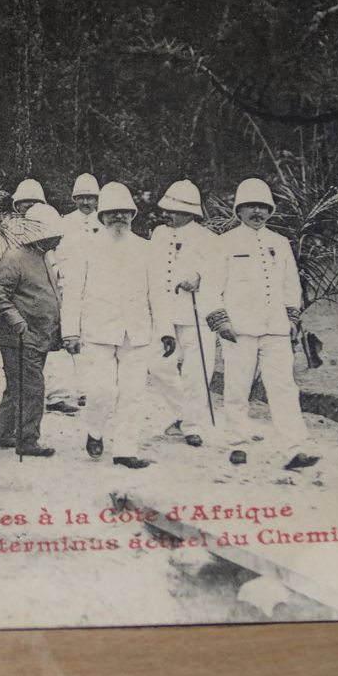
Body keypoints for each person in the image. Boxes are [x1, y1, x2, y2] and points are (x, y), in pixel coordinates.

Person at [204, 178, 319, 471]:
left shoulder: (279, 243)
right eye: (250, 206)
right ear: (239, 211)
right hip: (238, 328)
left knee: (283, 387)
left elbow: (291, 285)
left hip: (276, 328)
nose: (257, 212)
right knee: (237, 385)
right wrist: (221, 320)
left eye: (263, 207)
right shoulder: (224, 243)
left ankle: (294, 447)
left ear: (270, 210)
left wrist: (292, 318)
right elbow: (211, 287)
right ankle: (238, 443)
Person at [61, 182, 175, 469]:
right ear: (102, 216)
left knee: (133, 393)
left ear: (133, 215)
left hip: (136, 333)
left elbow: (158, 294)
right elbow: (73, 291)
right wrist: (70, 331)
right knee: (102, 392)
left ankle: (125, 450)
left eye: (124, 213)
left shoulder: (147, 249)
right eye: (113, 213)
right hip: (97, 332)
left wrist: (166, 331)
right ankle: (95, 431)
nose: (119, 218)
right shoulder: (85, 248)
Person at [0, 203, 66, 457]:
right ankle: (27, 440)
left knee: (17, 386)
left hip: (38, 335)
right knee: (32, 388)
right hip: (19, 337)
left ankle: (2, 434)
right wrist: (18, 322)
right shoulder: (15, 258)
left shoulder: (43, 256)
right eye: (55, 235)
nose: (59, 239)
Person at [146, 179, 214, 448]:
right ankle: (185, 415)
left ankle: (191, 426)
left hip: (197, 315)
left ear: (190, 213)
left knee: (198, 372)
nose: (168, 215)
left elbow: (220, 273)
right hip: (165, 313)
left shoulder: (208, 239)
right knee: (158, 366)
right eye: (168, 209)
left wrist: (200, 279)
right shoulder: (159, 235)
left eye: (175, 210)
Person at [47, 173, 101, 413]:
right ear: (74, 199)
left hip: (96, 290)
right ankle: (58, 392)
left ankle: (86, 390)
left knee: (91, 339)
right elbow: (49, 250)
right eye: (81, 198)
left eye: (90, 197)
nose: (86, 203)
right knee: (63, 338)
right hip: (67, 287)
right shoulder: (64, 222)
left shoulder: (105, 222)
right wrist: (57, 271)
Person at [0, 178, 47, 276]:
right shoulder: (8, 228)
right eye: (27, 200)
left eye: (36, 201)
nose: (31, 204)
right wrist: (0, 278)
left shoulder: (49, 226)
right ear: (17, 205)